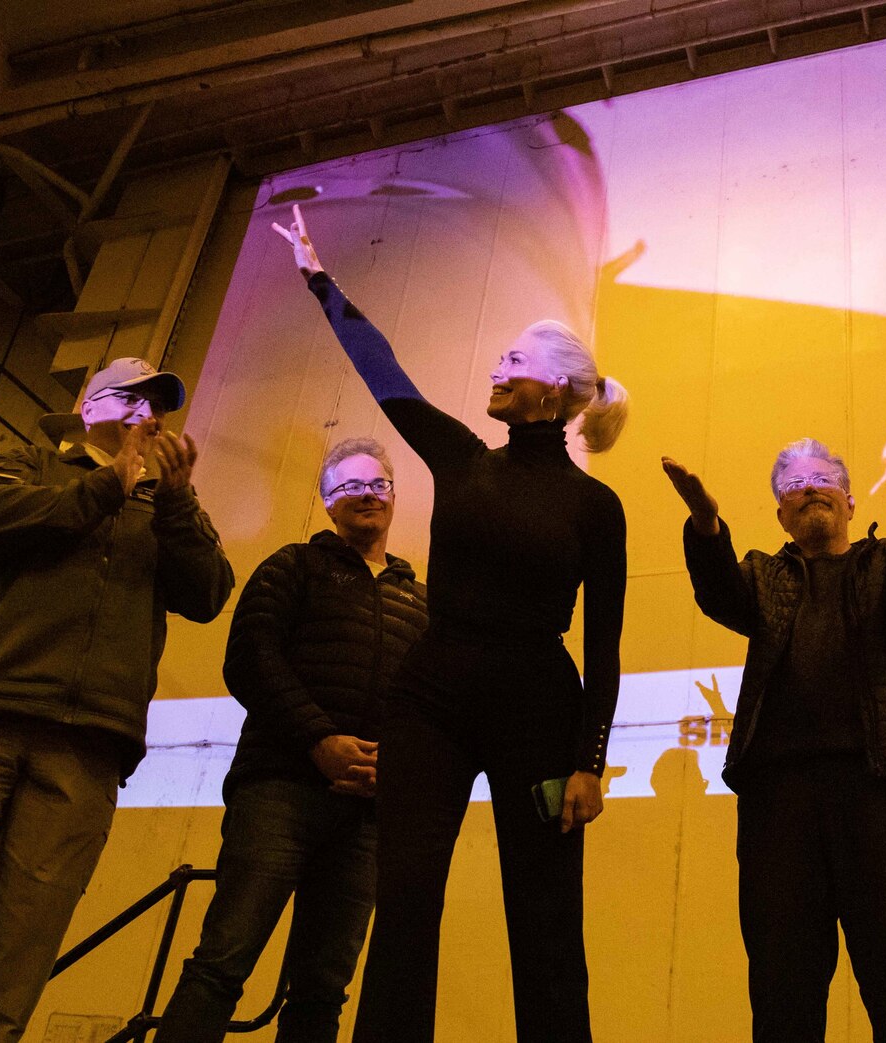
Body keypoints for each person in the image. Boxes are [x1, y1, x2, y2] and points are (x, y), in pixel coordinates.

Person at [272, 204, 629, 1043]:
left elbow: (605, 643)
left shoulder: (594, 504)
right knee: (403, 908)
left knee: (545, 921)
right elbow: (383, 371)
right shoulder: (463, 458)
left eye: (513, 358)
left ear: (555, 386)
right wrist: (319, 278)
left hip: (541, 714)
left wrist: (590, 762)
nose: (496, 367)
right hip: (429, 700)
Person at [0, 357, 234, 1043]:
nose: (146, 415)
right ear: (88, 405)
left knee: (16, 954)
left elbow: (209, 591)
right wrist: (104, 486)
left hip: (87, 749)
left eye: (156, 406)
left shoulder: (165, 509)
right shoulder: (26, 462)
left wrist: (176, 502)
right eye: (131, 398)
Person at [662, 425, 886, 1043]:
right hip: (779, 804)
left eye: (824, 480)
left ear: (850, 500)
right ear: (781, 513)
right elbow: (717, 593)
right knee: (783, 995)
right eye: (795, 484)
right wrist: (706, 523)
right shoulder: (760, 576)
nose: (810, 489)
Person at [155, 437, 427, 1042]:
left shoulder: (419, 600)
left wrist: (396, 768)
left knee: (323, 991)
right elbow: (251, 659)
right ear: (327, 503)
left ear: (393, 495)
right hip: (279, 791)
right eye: (349, 485)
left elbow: (425, 711)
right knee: (221, 966)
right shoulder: (291, 565)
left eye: (377, 483)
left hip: (366, 816)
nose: (366, 494)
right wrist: (319, 741)